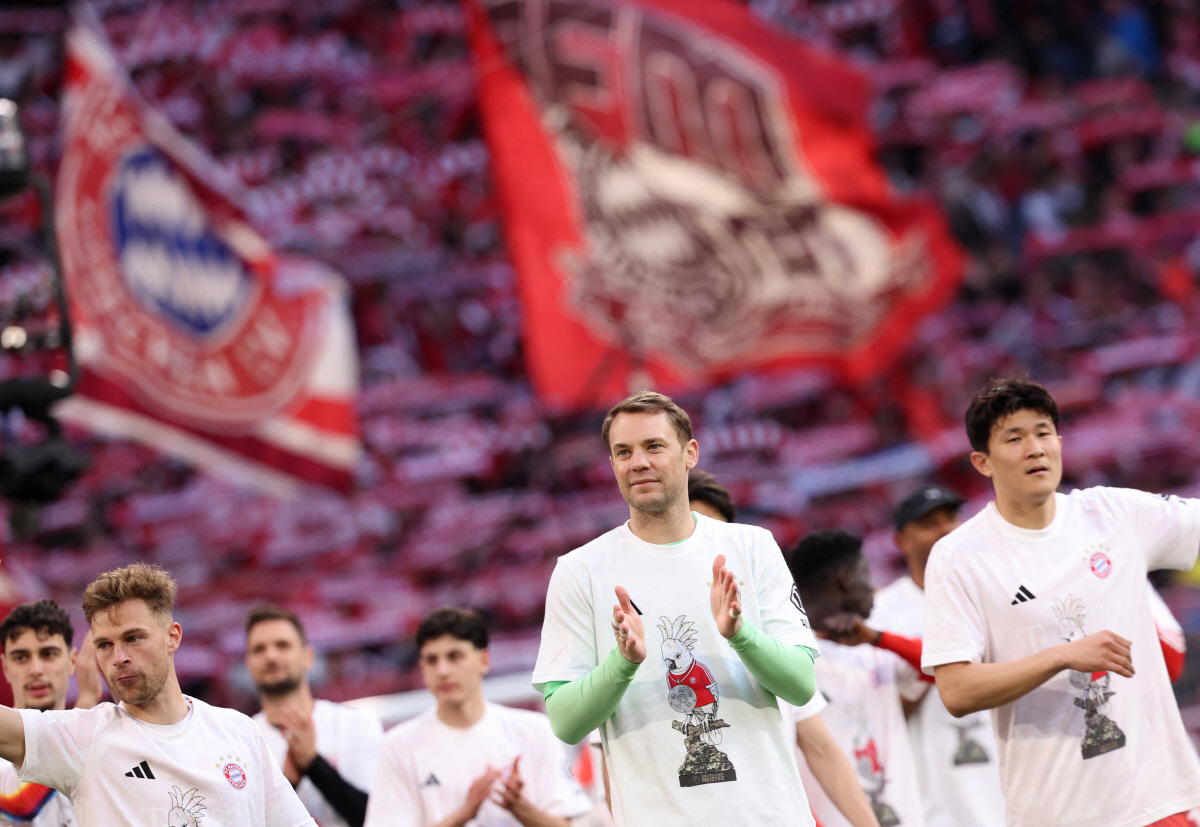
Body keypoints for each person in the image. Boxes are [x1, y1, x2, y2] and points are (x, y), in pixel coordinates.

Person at [533, 390, 820, 827]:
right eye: (623, 452)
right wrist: (623, 663)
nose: (638, 462)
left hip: (770, 814)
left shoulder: (752, 546)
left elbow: (801, 685)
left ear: (690, 454)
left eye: (653, 446)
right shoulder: (579, 571)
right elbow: (566, 722)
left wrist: (741, 636)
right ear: (612, 465)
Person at [922, 378, 1200, 827]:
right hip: (1056, 813)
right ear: (982, 462)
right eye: (1014, 438)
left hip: (1156, 802)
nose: (1035, 448)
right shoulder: (959, 558)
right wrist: (1060, 656)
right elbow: (956, 691)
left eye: (1043, 432)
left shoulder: (1115, 513)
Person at [0, 563, 316, 826]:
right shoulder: (84, 737)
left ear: (172, 637)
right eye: (105, 645)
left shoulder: (239, 730)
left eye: (133, 638)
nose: (118, 657)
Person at [365, 607, 591, 827]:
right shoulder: (398, 745)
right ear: (422, 668)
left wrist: (518, 806)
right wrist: (463, 814)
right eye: (432, 660)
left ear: (483, 660)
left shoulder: (534, 731)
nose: (442, 670)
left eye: (455, 656)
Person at [869, 486, 1007, 827]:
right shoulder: (881, 614)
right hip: (937, 791)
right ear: (901, 541)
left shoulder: (998, 592)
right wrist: (928, 668)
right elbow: (875, 714)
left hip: (1009, 772)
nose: (945, 528)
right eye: (928, 523)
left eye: (950, 517)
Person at [786, 530, 926, 827]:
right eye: (867, 572)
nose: (873, 586)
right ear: (846, 578)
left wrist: (879, 639)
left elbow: (941, 666)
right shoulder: (789, 660)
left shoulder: (874, 646)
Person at [247, 605, 384, 827]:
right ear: (248, 664)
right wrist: (289, 781)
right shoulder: (240, 738)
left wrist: (313, 764)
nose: (270, 656)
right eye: (259, 649)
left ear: (308, 657)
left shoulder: (357, 723)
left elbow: (377, 818)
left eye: (283, 645)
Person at [0, 599, 103, 826]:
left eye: (48, 654)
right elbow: (21, 802)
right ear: (6, 668)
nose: (35, 670)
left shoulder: (102, 742)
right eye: (20, 658)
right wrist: (85, 703)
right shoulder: (84, 733)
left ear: (72, 661)